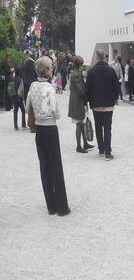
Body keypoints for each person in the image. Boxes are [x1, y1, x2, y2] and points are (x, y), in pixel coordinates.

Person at [26, 56, 70, 216]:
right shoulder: (49, 88)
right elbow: (57, 113)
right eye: (51, 67)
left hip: (39, 129)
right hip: (50, 128)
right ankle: (62, 207)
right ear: (46, 70)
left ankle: (51, 206)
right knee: (56, 166)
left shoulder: (32, 86)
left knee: (44, 167)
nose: (52, 69)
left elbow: (26, 107)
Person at [85, 50, 117, 160]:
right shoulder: (111, 71)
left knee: (98, 127)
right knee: (107, 128)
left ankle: (101, 148)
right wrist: (113, 99)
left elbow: (87, 89)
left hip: (96, 104)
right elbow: (116, 88)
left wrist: (86, 102)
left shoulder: (91, 72)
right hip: (108, 104)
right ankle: (108, 152)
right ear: (104, 57)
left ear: (97, 58)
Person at [66, 55, 89, 153]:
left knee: (81, 123)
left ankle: (85, 143)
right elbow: (80, 90)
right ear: (79, 65)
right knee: (79, 124)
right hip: (78, 102)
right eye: (82, 65)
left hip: (75, 101)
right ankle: (79, 146)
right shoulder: (77, 74)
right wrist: (87, 92)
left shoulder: (74, 73)